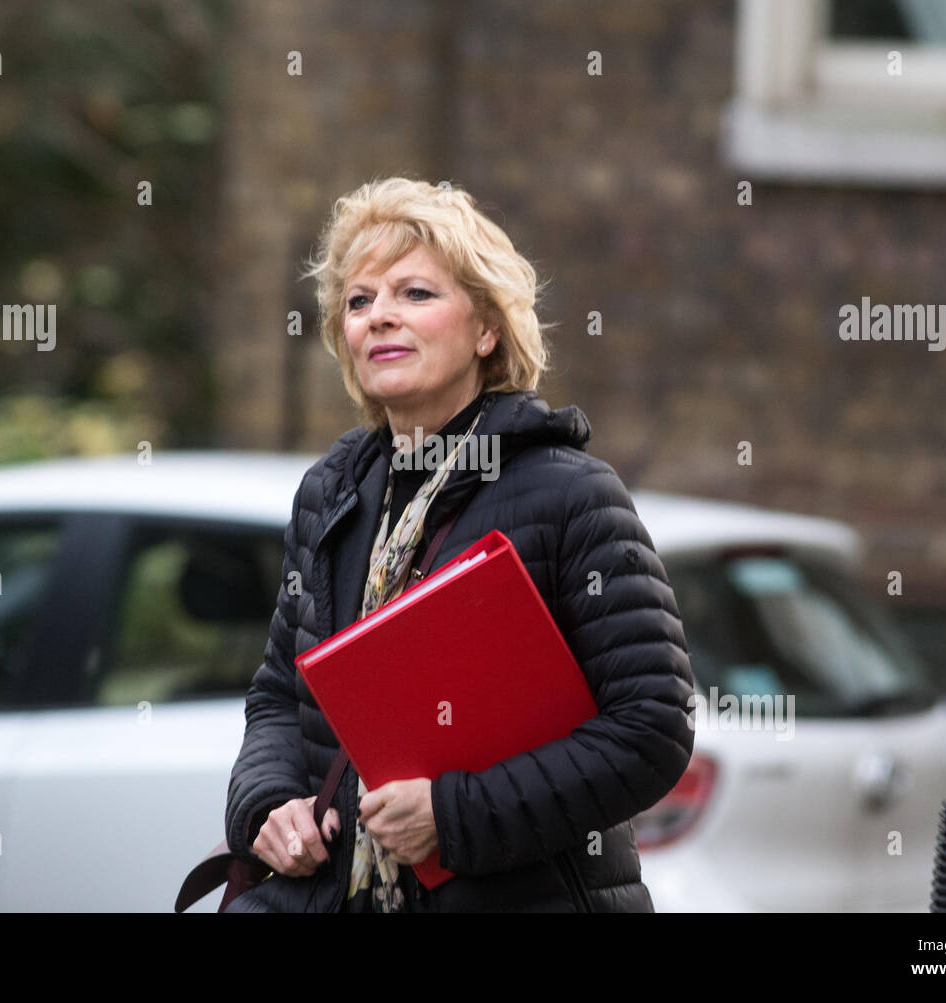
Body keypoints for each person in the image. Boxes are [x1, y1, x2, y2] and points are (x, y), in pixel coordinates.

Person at [223, 176, 695, 912]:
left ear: (486, 330)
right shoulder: (329, 492)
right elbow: (282, 696)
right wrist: (267, 802)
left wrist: (452, 814)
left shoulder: (572, 495)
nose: (380, 316)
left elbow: (650, 730)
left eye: (415, 294)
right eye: (359, 300)